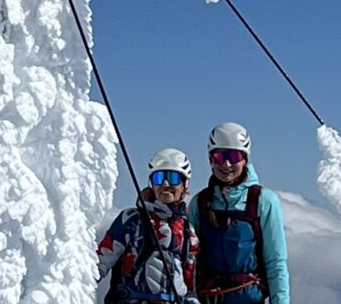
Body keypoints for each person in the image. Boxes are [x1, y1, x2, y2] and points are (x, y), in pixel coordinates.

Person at [188, 122, 290, 304]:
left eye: (234, 156)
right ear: (211, 160)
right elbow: (188, 259)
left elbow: (276, 262)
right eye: (219, 157)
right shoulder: (201, 203)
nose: (226, 164)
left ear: (245, 159)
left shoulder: (263, 201)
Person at [97, 148, 201, 304]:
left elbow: (189, 284)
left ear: (185, 184)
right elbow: (98, 265)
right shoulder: (132, 220)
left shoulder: (188, 232)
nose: (165, 184)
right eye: (159, 178)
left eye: (173, 178)